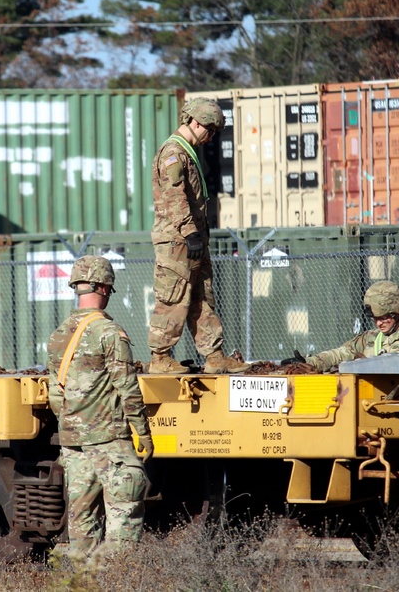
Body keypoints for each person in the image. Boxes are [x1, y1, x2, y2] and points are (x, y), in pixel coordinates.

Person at [47, 255, 153, 565]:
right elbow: (127, 387)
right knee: (123, 522)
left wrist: (73, 425)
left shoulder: (58, 335)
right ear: (105, 289)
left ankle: (82, 581)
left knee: (81, 526)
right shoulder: (109, 332)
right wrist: (142, 432)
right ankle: (117, 580)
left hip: (73, 444)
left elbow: (56, 394)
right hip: (110, 441)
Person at [148, 97, 249, 375]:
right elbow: (174, 197)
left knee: (202, 297)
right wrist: (190, 232)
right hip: (178, 241)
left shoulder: (188, 151)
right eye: (209, 129)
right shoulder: (173, 152)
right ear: (193, 122)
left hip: (193, 240)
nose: (210, 137)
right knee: (173, 298)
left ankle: (214, 356)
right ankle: (160, 358)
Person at [289, 281, 399, 373]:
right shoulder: (369, 338)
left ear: (397, 313)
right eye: (376, 319)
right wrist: (310, 362)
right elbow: (341, 354)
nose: (379, 323)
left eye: (385, 317)